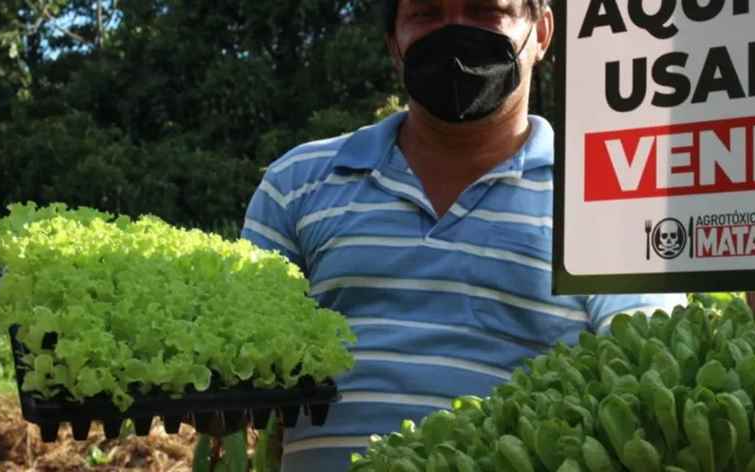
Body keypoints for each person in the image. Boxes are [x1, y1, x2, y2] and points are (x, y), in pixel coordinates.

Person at [240, 0, 687, 470]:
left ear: (541, 33)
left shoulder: (606, 191)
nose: (454, 32)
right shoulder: (299, 182)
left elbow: (643, 368)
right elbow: (242, 363)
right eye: (426, 14)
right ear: (394, 43)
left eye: (485, 11)